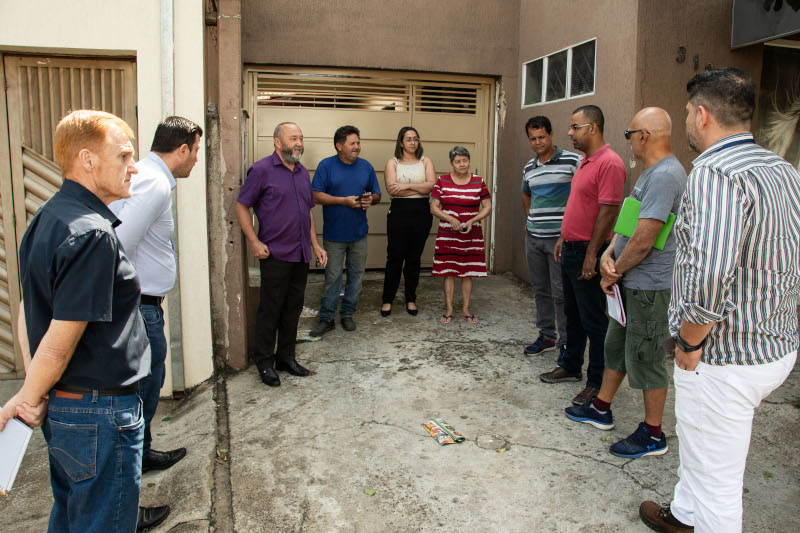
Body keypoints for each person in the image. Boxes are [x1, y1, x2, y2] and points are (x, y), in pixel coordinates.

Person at [639, 68, 800, 533]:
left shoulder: (713, 171)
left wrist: (690, 343)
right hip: (775, 345)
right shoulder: (782, 169)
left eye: (688, 112)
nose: (688, 121)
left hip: (722, 355)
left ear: (702, 114)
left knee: (718, 487)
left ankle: (700, 518)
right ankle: (683, 517)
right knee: (702, 450)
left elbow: (711, 269)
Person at [0, 110, 169, 532]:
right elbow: (59, 339)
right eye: (124, 156)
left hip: (71, 408)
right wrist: (27, 397)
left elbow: (28, 309)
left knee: (73, 517)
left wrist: (36, 390)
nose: (134, 167)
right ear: (88, 159)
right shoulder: (91, 233)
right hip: (99, 412)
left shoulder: (49, 217)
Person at [564, 107, 687, 460]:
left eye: (630, 133)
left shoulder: (665, 176)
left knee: (646, 356)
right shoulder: (650, 173)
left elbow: (646, 236)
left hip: (649, 285)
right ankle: (601, 407)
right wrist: (609, 251)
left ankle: (653, 434)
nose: (628, 140)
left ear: (644, 136)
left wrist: (611, 269)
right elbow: (630, 221)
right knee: (616, 346)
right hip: (629, 280)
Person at [110, 116, 202, 475]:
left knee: (146, 387)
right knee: (144, 389)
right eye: (195, 151)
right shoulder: (154, 184)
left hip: (143, 305)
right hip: (139, 306)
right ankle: (132, 466)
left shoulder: (147, 176)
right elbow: (117, 246)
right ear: (181, 149)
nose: (196, 158)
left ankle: (141, 453)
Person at [540, 105, 626, 407]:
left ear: (593, 128)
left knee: (594, 321)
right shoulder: (585, 162)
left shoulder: (610, 163)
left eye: (575, 127)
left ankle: (596, 381)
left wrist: (592, 255)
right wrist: (565, 235)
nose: (569, 133)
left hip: (588, 252)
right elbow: (580, 205)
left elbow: (608, 211)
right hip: (572, 249)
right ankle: (571, 364)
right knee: (573, 315)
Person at [235, 122, 327, 387]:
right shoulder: (262, 170)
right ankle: (264, 363)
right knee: (270, 311)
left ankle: (286, 358)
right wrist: (254, 241)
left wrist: (316, 245)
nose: (298, 143)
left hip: (300, 253)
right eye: (293, 138)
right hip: (275, 254)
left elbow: (308, 211)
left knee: (293, 309)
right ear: (277, 142)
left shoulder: (301, 172)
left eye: (301, 137)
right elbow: (242, 206)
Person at [309, 125, 381, 337]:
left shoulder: (366, 167)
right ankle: (327, 318)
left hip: (359, 234)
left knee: (356, 278)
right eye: (352, 143)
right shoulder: (326, 166)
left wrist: (370, 200)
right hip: (334, 236)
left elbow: (377, 195)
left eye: (358, 143)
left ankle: (348, 314)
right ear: (339, 146)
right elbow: (316, 196)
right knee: (332, 278)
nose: (357, 147)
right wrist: (343, 201)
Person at [520, 115, 579, 356]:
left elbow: (583, 196)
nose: (537, 142)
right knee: (540, 289)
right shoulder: (529, 167)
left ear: (552, 134)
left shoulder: (573, 161)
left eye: (542, 137)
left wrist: (569, 230)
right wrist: (529, 219)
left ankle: (566, 343)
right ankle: (546, 336)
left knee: (560, 293)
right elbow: (526, 194)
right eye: (533, 139)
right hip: (534, 238)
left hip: (560, 240)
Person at [430, 146, 492, 324]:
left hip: (471, 234)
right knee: (448, 271)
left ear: (469, 161)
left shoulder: (478, 181)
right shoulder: (442, 181)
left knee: (468, 271)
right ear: (452, 163)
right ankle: (449, 308)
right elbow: (434, 207)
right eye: (458, 161)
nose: (462, 164)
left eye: (465, 160)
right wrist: (449, 218)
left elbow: (487, 207)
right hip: (447, 234)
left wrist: (473, 220)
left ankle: (465, 308)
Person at [380, 126, 436, 317]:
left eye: (416, 139)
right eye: (409, 139)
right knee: (395, 258)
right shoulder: (392, 162)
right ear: (401, 142)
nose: (413, 142)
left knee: (413, 258)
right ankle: (387, 299)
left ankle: (410, 299)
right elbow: (391, 190)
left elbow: (431, 187)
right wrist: (420, 187)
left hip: (421, 212)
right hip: (399, 213)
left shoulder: (425, 161)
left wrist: (406, 186)